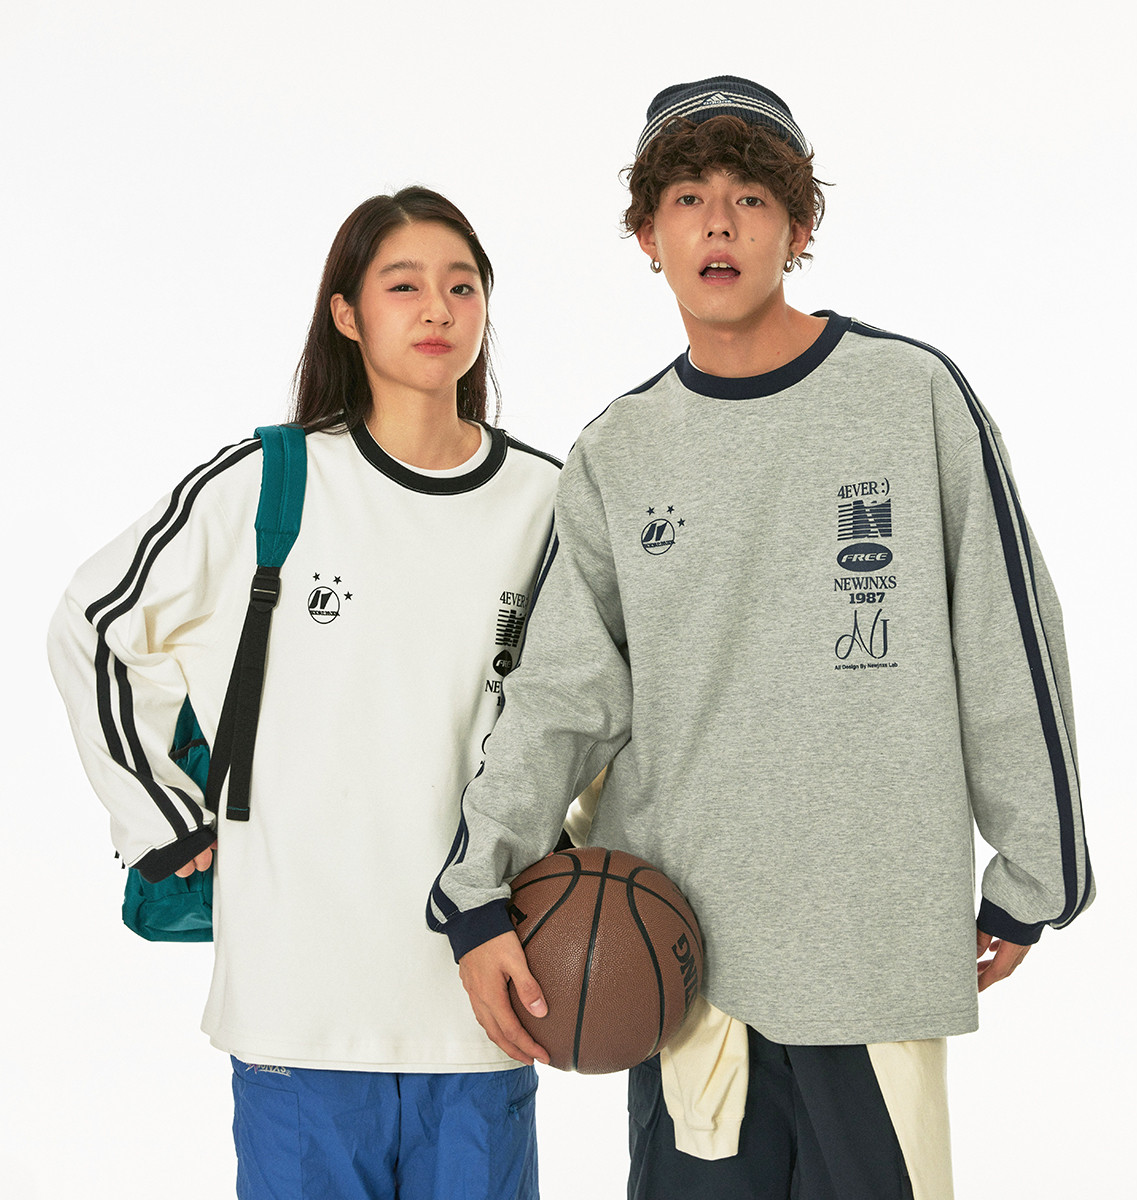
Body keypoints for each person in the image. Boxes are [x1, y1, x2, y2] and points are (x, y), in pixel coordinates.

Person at [426, 78, 1093, 1200]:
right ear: (649, 236)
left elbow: (1004, 636)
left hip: (866, 946)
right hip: (684, 966)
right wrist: (478, 888)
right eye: (688, 199)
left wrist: (1038, 869)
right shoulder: (619, 451)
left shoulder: (911, 397)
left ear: (800, 227)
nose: (720, 224)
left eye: (750, 197)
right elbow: (561, 696)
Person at [48, 186, 560, 1199]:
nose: (438, 308)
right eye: (403, 285)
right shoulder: (268, 482)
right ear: (346, 314)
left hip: (480, 1005)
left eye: (463, 286)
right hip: (299, 1006)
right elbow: (95, 625)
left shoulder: (545, 501)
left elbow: (587, 721)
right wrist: (161, 820)